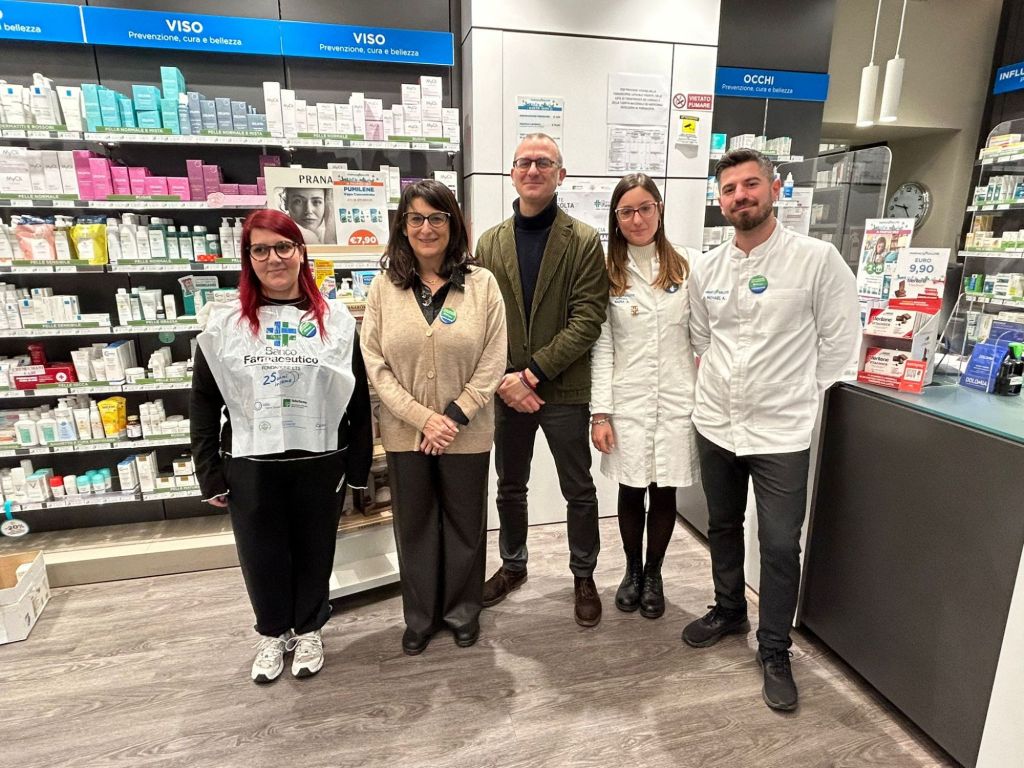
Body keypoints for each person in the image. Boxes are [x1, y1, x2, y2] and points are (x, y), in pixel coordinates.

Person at [683, 148, 860, 711]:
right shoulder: (707, 268)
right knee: (722, 523)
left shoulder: (816, 260)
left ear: (775, 188)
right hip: (716, 421)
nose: (741, 196)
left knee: (780, 542)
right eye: (729, 188)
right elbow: (701, 338)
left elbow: (840, 342)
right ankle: (730, 608)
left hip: (781, 431)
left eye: (750, 184)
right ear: (720, 200)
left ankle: (775, 648)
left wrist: (798, 391)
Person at [190, 208, 372, 684]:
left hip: (320, 458)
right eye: (261, 249)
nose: (273, 258)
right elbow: (204, 402)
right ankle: (272, 633)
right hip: (251, 461)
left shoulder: (335, 320)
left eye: (283, 247)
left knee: (316, 548)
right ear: (248, 258)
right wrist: (209, 473)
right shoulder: (226, 324)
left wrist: (358, 466)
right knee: (261, 553)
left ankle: (309, 629)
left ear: (301, 251)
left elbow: (357, 397)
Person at [360, 180, 507, 655]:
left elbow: (494, 359)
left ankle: (463, 611)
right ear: (403, 226)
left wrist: (455, 416)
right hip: (407, 434)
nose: (427, 228)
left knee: (465, 525)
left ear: (453, 224)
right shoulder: (384, 288)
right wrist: (424, 418)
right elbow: (375, 363)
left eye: (437, 218)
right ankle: (421, 617)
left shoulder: (482, 285)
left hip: (467, 432)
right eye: (416, 218)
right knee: (416, 526)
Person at [475, 133, 609, 627]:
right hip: (507, 390)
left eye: (544, 163)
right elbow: (481, 322)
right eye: (525, 162)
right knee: (510, 485)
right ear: (512, 173)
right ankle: (513, 565)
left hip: (564, 389)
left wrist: (529, 375)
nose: (533, 170)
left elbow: (587, 319)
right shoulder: (490, 242)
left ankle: (583, 574)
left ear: (560, 175)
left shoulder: (583, 241)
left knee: (579, 488)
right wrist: (503, 378)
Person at [590, 173, 699, 620]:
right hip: (628, 402)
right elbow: (602, 347)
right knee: (631, 488)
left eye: (645, 208)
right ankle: (632, 571)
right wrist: (600, 413)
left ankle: (654, 574)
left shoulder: (688, 265)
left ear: (659, 209)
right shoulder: (606, 272)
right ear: (616, 219)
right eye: (626, 212)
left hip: (676, 399)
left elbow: (703, 337)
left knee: (665, 488)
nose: (637, 219)